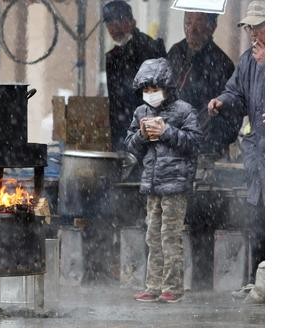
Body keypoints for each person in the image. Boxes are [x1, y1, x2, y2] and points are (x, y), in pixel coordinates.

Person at [167, 11, 242, 290]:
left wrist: (210, 141)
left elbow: (232, 117)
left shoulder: (222, 64)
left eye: (198, 24)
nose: (192, 30)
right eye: (188, 23)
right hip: (173, 153)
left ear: (212, 26)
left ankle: (200, 286)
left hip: (205, 159)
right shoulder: (174, 55)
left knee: (200, 224)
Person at [125, 58, 202, 303]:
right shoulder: (141, 113)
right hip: (152, 184)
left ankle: (172, 286)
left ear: (167, 87)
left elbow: (194, 143)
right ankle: (153, 285)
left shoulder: (184, 110)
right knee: (152, 235)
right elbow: (129, 145)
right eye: (146, 90)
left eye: (154, 89)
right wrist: (142, 135)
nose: (150, 95)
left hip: (175, 185)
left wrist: (166, 132)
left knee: (170, 236)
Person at [207, 0, 265, 297]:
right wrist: (222, 101)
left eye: (258, 26)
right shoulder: (247, 60)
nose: (253, 32)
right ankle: (257, 281)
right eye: (250, 27)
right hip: (258, 156)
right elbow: (236, 93)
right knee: (256, 220)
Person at [104, 0, 166, 152]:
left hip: (145, 130)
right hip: (122, 131)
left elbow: (158, 97)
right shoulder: (113, 56)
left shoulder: (150, 48)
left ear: (131, 22)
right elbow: (115, 101)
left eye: (119, 21)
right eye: (109, 23)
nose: (113, 28)